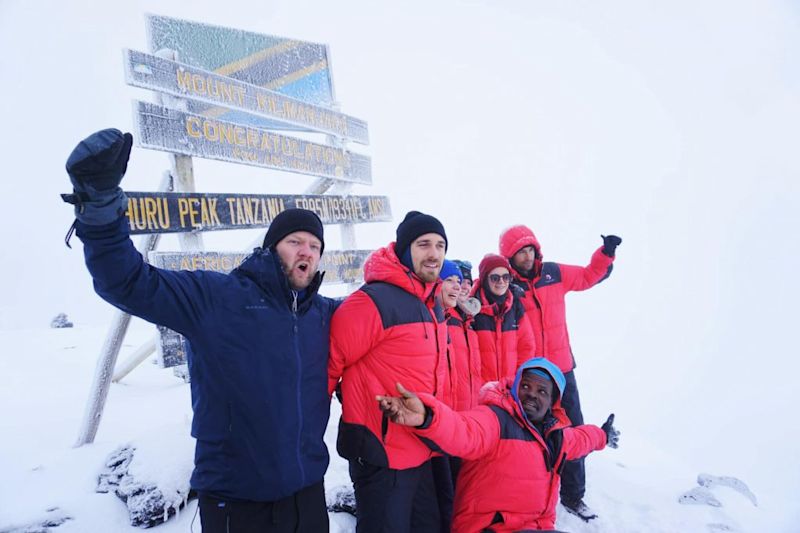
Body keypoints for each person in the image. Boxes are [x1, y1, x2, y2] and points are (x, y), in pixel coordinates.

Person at [62, 129, 337, 533]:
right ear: (271, 247)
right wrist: (100, 205)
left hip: (307, 497)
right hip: (238, 501)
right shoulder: (217, 298)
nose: (306, 252)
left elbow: (387, 324)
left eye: (314, 246)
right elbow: (128, 282)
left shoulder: (324, 315)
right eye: (295, 241)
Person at [376, 357, 620, 533]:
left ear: (553, 401)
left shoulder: (556, 437)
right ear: (514, 388)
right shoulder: (496, 420)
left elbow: (582, 439)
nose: (532, 394)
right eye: (525, 386)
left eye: (542, 391)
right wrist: (428, 416)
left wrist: (603, 435)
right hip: (489, 527)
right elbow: (462, 430)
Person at [328, 211, 450, 533]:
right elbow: (328, 367)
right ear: (404, 249)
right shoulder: (372, 301)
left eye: (440, 245)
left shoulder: (431, 304)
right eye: (424, 244)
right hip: (382, 456)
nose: (434, 253)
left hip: (422, 448)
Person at [499, 225, 621, 520]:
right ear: (510, 257)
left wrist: (606, 254)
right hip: (529, 377)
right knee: (528, 436)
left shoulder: (553, 273)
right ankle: (530, 496)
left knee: (573, 428)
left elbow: (589, 276)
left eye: (530, 250)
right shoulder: (506, 285)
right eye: (519, 253)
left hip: (562, 371)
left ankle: (573, 495)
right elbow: (483, 294)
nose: (526, 257)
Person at [471, 254, 536, 384]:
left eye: (506, 277)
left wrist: (516, 380)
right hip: (479, 389)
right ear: (484, 279)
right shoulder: (472, 309)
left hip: (508, 388)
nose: (501, 282)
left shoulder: (515, 307)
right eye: (495, 278)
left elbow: (526, 346)